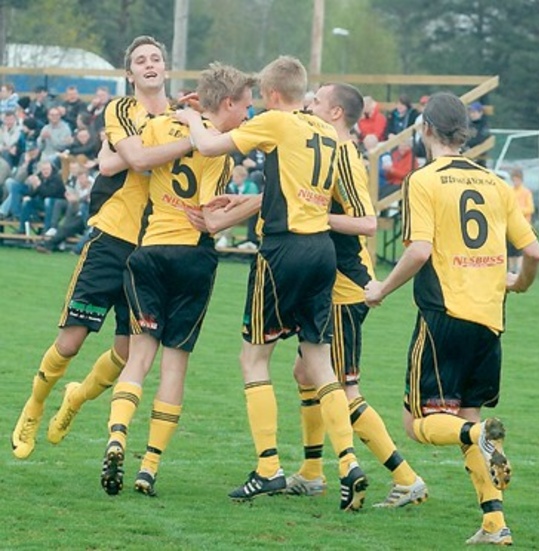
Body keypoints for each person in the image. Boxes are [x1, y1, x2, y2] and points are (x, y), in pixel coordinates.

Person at [175, 55, 368, 511]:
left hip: (283, 250)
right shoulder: (323, 130)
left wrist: (189, 116)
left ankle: (268, 469)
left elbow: (207, 145)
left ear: (274, 96)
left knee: (254, 358)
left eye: (263, 96)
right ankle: (349, 464)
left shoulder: (278, 122)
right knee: (320, 366)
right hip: (322, 250)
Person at [364, 92, 539, 545]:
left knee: (419, 424)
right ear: (464, 132)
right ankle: (495, 523)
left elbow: (420, 250)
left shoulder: (423, 180)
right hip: (489, 320)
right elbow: (534, 251)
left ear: (425, 129)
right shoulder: (497, 183)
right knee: (468, 415)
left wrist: (381, 288)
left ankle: (477, 433)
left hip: (444, 314)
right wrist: (518, 282)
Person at [11, 35, 192, 460]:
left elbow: (117, 159)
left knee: (129, 353)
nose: (150, 64)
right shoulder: (121, 109)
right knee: (71, 342)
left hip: (152, 250)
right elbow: (124, 161)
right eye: (140, 61)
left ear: (165, 68)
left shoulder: (183, 116)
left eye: (156, 58)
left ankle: (75, 399)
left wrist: (192, 122)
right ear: (129, 75)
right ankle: (35, 405)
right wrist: (185, 136)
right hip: (111, 238)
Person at [99, 63, 256, 497]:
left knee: (138, 359)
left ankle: (116, 436)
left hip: (149, 252)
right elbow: (209, 218)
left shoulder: (163, 126)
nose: (247, 114)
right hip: (192, 259)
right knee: (174, 365)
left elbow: (133, 159)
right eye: (245, 106)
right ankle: (148, 468)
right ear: (227, 103)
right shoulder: (217, 148)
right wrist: (254, 204)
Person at [286, 82, 428, 507]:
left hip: (345, 289)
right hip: (329, 282)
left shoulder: (344, 154)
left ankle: (406, 477)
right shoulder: (327, 147)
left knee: (344, 387)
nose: (309, 104)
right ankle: (312, 472)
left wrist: (313, 214)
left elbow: (366, 223)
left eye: (316, 101)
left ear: (333, 114)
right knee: (305, 374)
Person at [507, 167, 535, 274]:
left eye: (517, 179)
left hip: (523, 224)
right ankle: (511, 268)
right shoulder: (510, 191)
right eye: (514, 180)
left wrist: (518, 211)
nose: (515, 182)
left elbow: (530, 208)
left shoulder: (526, 192)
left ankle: (518, 268)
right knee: (510, 248)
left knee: (519, 248)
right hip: (511, 225)